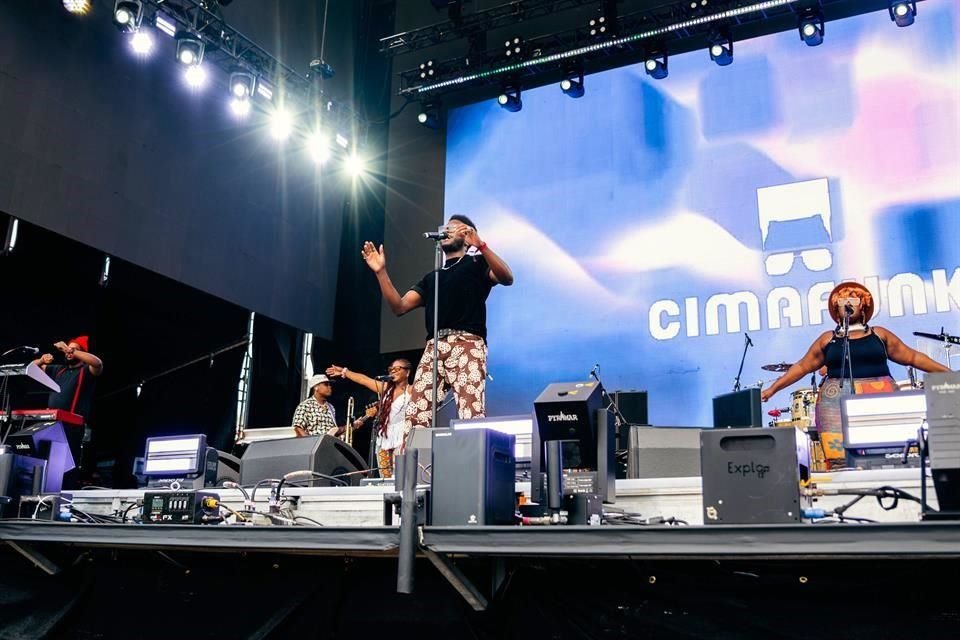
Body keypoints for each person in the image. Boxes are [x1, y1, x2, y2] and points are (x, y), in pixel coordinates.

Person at [361, 214, 514, 449]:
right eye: (446, 227)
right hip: (434, 346)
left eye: (455, 228)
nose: (448, 230)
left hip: (467, 343)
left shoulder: (477, 264)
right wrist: (380, 272)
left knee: (471, 411)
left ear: (467, 236)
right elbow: (399, 306)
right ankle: (415, 468)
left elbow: (507, 278)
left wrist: (481, 245)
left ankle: (471, 465)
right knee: (415, 413)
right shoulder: (432, 277)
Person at [760, 282, 951, 469]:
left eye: (853, 300)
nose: (847, 304)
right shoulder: (827, 339)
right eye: (841, 301)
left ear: (863, 305)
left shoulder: (879, 334)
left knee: (888, 456)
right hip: (835, 402)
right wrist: (772, 390)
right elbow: (802, 366)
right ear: (836, 308)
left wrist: (950, 375)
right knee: (842, 462)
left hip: (881, 399)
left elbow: (913, 357)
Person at [326, 359, 412, 478]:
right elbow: (364, 380)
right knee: (385, 477)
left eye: (397, 369)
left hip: (402, 436)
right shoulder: (386, 388)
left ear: (407, 372)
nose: (393, 371)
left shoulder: (412, 390)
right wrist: (344, 372)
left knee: (400, 476)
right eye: (391, 369)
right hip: (384, 437)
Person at [33, 336, 103, 420]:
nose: (67, 352)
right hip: (53, 419)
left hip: (73, 422)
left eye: (73, 349)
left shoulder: (87, 370)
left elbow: (97, 363)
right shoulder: (59, 369)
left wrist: (67, 349)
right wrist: (41, 360)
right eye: (66, 350)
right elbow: (31, 368)